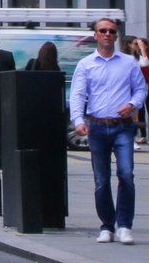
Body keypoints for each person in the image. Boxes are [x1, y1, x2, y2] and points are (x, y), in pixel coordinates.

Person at [71, 17, 148, 244]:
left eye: (111, 31)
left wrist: (133, 105)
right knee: (101, 180)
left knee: (126, 175)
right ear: (95, 35)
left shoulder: (128, 63)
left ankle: (124, 225)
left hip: (122, 126)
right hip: (96, 125)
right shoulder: (85, 64)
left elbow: (141, 90)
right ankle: (107, 225)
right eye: (102, 30)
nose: (107, 34)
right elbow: (77, 94)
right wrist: (78, 120)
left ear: (116, 36)